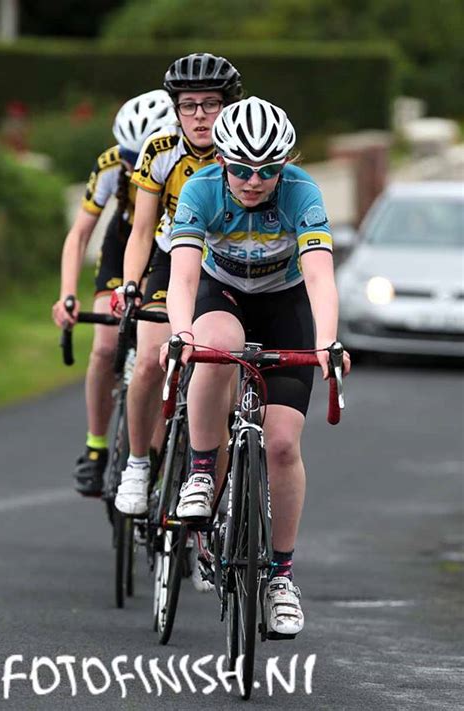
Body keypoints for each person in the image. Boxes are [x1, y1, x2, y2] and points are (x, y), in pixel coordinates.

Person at [160, 96, 351, 637]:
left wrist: (328, 342)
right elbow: (184, 278)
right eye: (241, 169)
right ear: (221, 160)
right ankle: (201, 471)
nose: (252, 180)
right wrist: (180, 333)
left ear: (283, 165)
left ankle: (281, 578)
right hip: (224, 295)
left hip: (285, 303)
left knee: (284, 444)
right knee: (214, 342)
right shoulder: (200, 191)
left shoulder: (300, 192)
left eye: (267, 171)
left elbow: (318, 277)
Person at [112, 53, 243, 518]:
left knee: (224, 392)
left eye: (211, 104)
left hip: (226, 263)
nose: (200, 115)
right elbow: (142, 229)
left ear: (229, 107)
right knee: (149, 358)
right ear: (176, 109)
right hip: (174, 258)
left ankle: (214, 510)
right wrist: (131, 285)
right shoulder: (160, 149)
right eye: (189, 105)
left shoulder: (242, 151)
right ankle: (138, 463)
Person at [52, 90, 176, 496]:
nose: (129, 164)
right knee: (106, 346)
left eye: (136, 156)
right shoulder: (111, 165)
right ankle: (95, 448)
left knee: (158, 352)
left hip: (172, 248)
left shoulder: (181, 160)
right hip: (125, 243)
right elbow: (79, 235)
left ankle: (159, 456)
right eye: (126, 153)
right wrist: (67, 294)